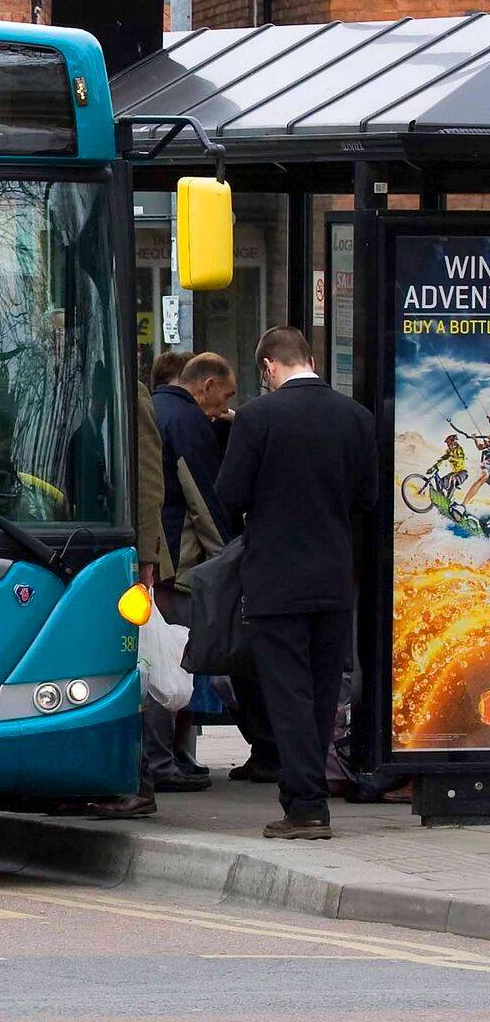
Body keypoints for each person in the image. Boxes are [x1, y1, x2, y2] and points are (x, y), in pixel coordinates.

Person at [215, 326, 377, 840]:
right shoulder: (357, 417)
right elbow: (368, 498)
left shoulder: (257, 418)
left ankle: (305, 806)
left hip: (276, 581)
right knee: (323, 693)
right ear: (311, 359)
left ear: (268, 367)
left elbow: (229, 494)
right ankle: (311, 797)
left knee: (287, 695)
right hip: (333, 578)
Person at [89, 354, 235, 819]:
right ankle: (147, 766)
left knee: (148, 662)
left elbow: (152, 485)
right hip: (114, 555)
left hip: (137, 560)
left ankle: (148, 770)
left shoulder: (135, 398)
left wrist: (150, 560)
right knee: (142, 663)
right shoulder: (79, 384)